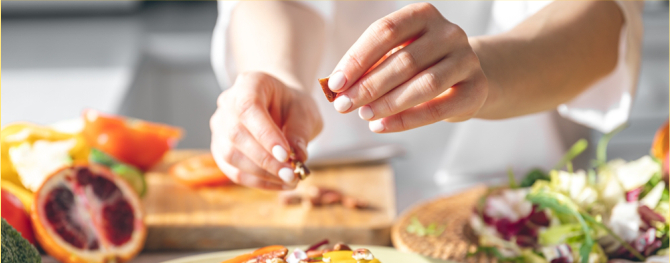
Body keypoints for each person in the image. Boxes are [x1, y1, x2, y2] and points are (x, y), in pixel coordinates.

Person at [209, 1, 643, 191]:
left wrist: (482, 69)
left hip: (524, 195)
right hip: (341, 196)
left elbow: (604, 15)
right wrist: (279, 72)